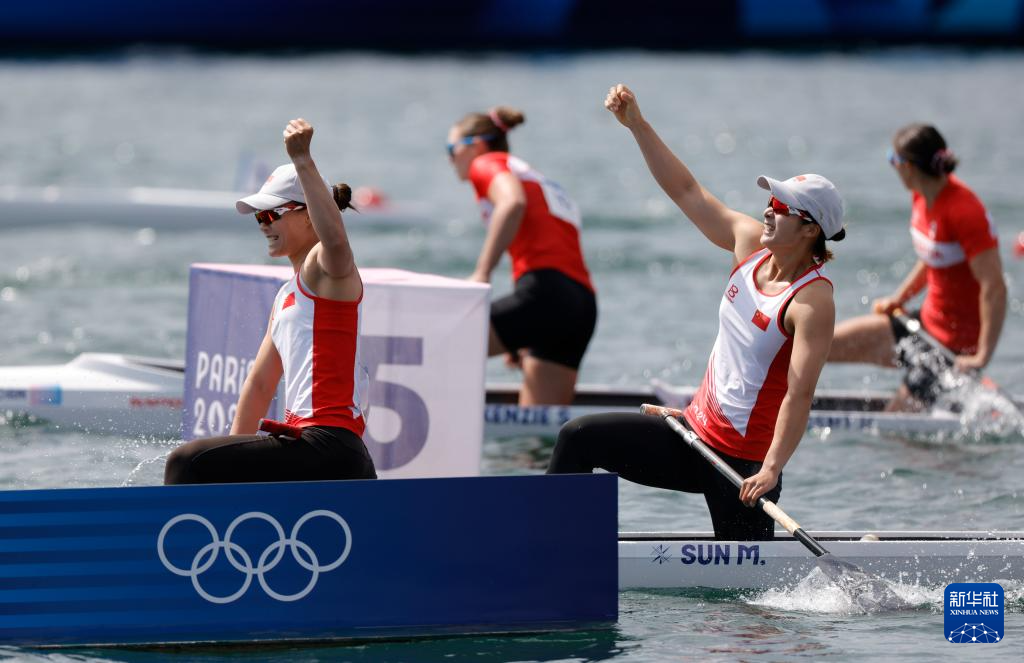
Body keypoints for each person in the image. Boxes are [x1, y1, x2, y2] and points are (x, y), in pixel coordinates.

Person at [548, 84, 844, 540]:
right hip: (691, 435)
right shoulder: (748, 245)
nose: (768, 212)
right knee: (577, 437)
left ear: (810, 230)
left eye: (782, 208)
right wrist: (637, 126)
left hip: (741, 467)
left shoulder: (811, 301)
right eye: (770, 203)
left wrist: (770, 469)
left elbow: (799, 395)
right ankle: (556, 545)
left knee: (747, 587)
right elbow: (687, 192)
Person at [165, 119, 376, 484]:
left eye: (271, 214)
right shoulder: (285, 296)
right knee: (204, 464)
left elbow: (337, 242)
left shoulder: (326, 270)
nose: (263, 224)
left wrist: (303, 160)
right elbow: (260, 385)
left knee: (186, 463)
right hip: (312, 451)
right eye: (258, 217)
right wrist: (230, 457)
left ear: (308, 215)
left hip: (330, 446)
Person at [828, 124, 1006, 410]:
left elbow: (994, 287)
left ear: (908, 166)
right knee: (821, 345)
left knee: (890, 426)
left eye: (892, 159)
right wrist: (898, 299)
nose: (892, 167)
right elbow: (932, 257)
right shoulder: (921, 196)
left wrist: (981, 356)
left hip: (952, 351)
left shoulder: (965, 211)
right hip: (922, 325)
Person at [447, 106, 597, 406]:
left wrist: (482, 272)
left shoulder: (486, 162)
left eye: (451, 150)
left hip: (544, 295)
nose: (450, 160)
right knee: (540, 425)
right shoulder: (535, 177)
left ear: (476, 145)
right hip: (580, 305)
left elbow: (512, 203)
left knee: (438, 343)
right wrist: (521, 331)